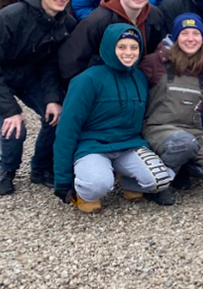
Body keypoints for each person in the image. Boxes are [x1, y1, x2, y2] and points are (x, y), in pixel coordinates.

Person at [0, 0, 77, 195]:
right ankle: (7, 170)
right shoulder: (10, 16)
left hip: (30, 76)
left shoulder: (64, 22)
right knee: (14, 127)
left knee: (57, 116)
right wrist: (10, 110)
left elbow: (50, 64)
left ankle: (40, 168)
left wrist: (52, 97)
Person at [53, 25, 176, 213]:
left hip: (128, 145)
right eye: (122, 47)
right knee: (98, 185)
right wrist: (62, 178)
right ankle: (84, 193)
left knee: (161, 179)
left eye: (134, 47)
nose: (128, 52)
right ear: (110, 47)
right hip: (93, 147)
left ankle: (127, 180)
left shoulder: (139, 77)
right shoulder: (88, 79)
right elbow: (67, 129)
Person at [140, 13, 203, 189]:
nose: (191, 39)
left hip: (193, 131)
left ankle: (180, 167)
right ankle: (159, 183)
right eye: (184, 33)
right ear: (175, 37)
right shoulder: (154, 62)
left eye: (196, 34)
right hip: (159, 128)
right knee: (184, 144)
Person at [59, 0, 166, 82]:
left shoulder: (155, 15)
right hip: (104, 85)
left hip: (140, 83)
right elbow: (71, 60)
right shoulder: (97, 21)